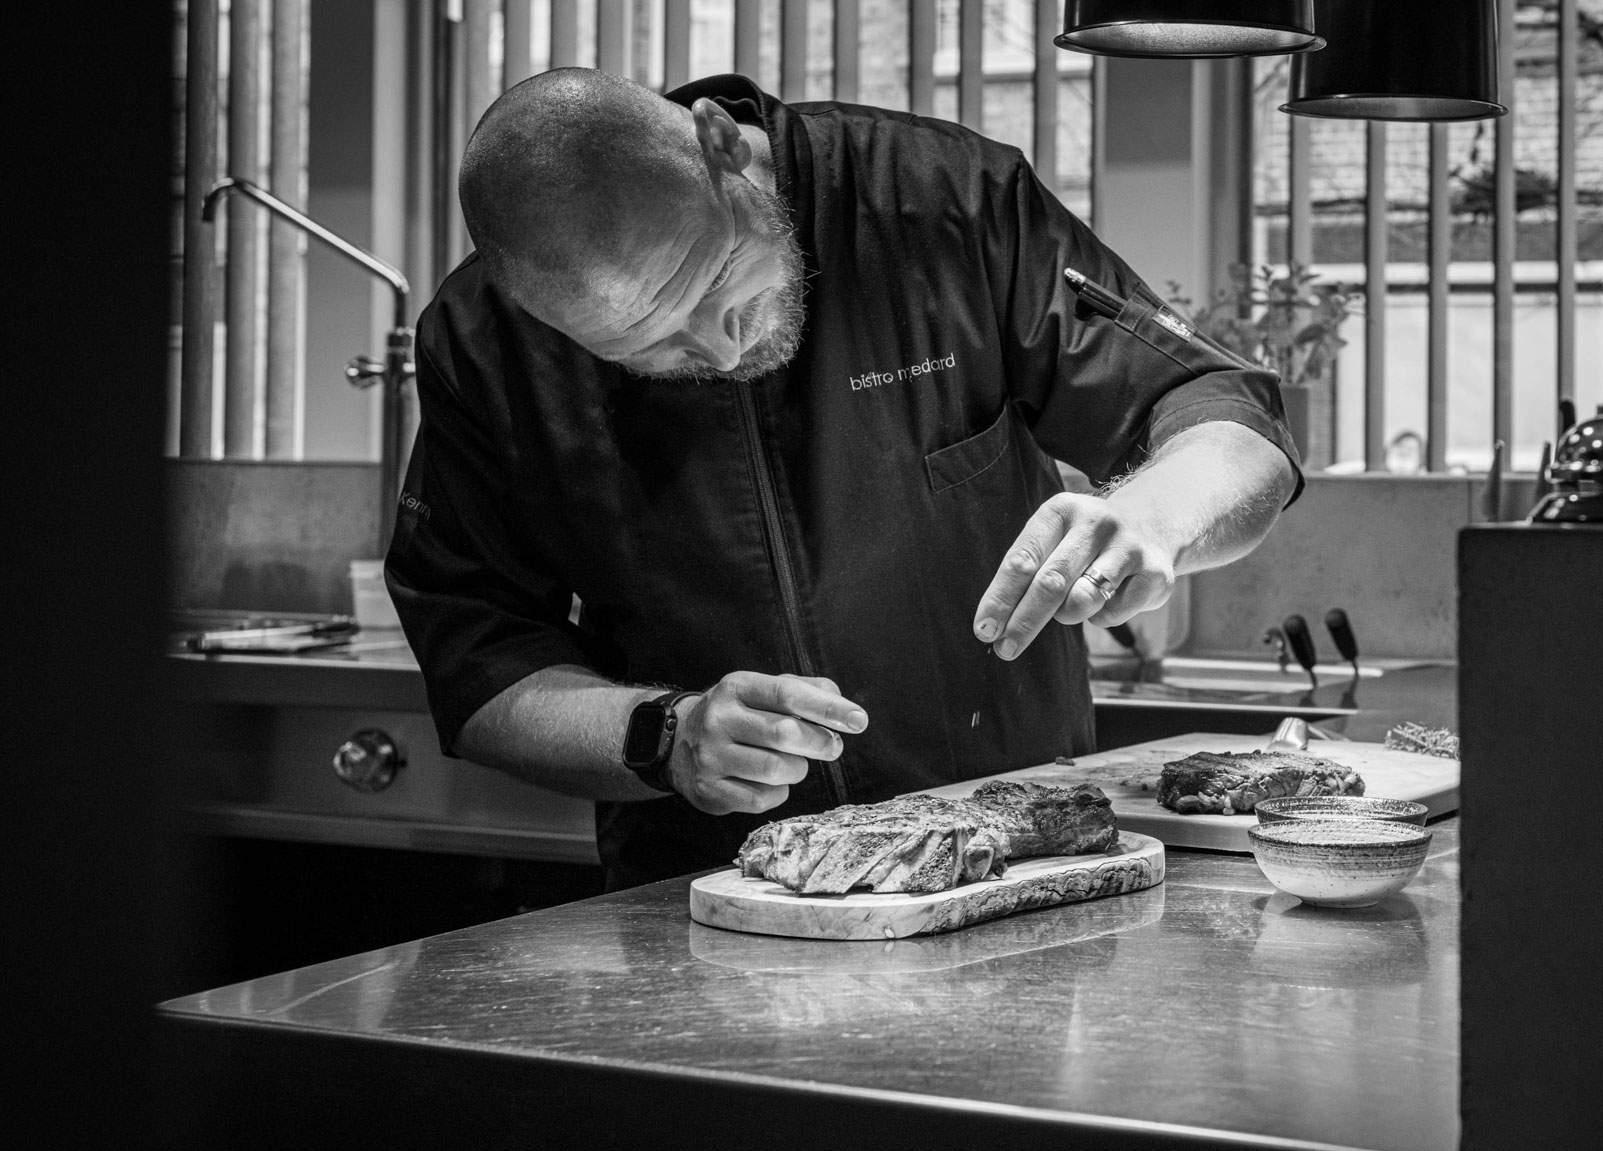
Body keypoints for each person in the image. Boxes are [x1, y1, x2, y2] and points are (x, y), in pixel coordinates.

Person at [387, 68, 1302, 889]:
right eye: (649, 346)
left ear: (719, 143)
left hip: (1021, 866)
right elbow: (480, 665)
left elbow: (1226, 416)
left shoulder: (938, 199)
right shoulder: (481, 344)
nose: (720, 350)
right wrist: (663, 734)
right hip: (714, 907)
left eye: (715, 277)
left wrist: (1153, 516)